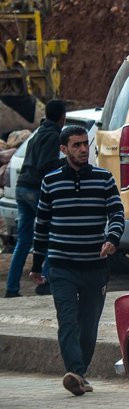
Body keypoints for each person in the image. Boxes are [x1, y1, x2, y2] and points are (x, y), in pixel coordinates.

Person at [29, 125, 125, 396]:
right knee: (68, 320)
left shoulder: (104, 179)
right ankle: (75, 371)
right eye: (76, 145)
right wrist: (37, 265)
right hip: (62, 266)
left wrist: (113, 239)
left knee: (89, 323)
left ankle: (79, 373)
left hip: (95, 266)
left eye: (85, 144)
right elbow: (42, 224)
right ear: (63, 149)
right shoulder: (51, 181)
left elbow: (117, 213)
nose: (83, 149)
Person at [4, 99, 66, 298]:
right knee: (50, 236)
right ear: (62, 118)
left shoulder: (37, 134)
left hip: (22, 189)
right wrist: (65, 165)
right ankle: (44, 281)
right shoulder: (53, 136)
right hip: (36, 190)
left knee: (24, 241)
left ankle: (12, 288)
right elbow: (46, 165)